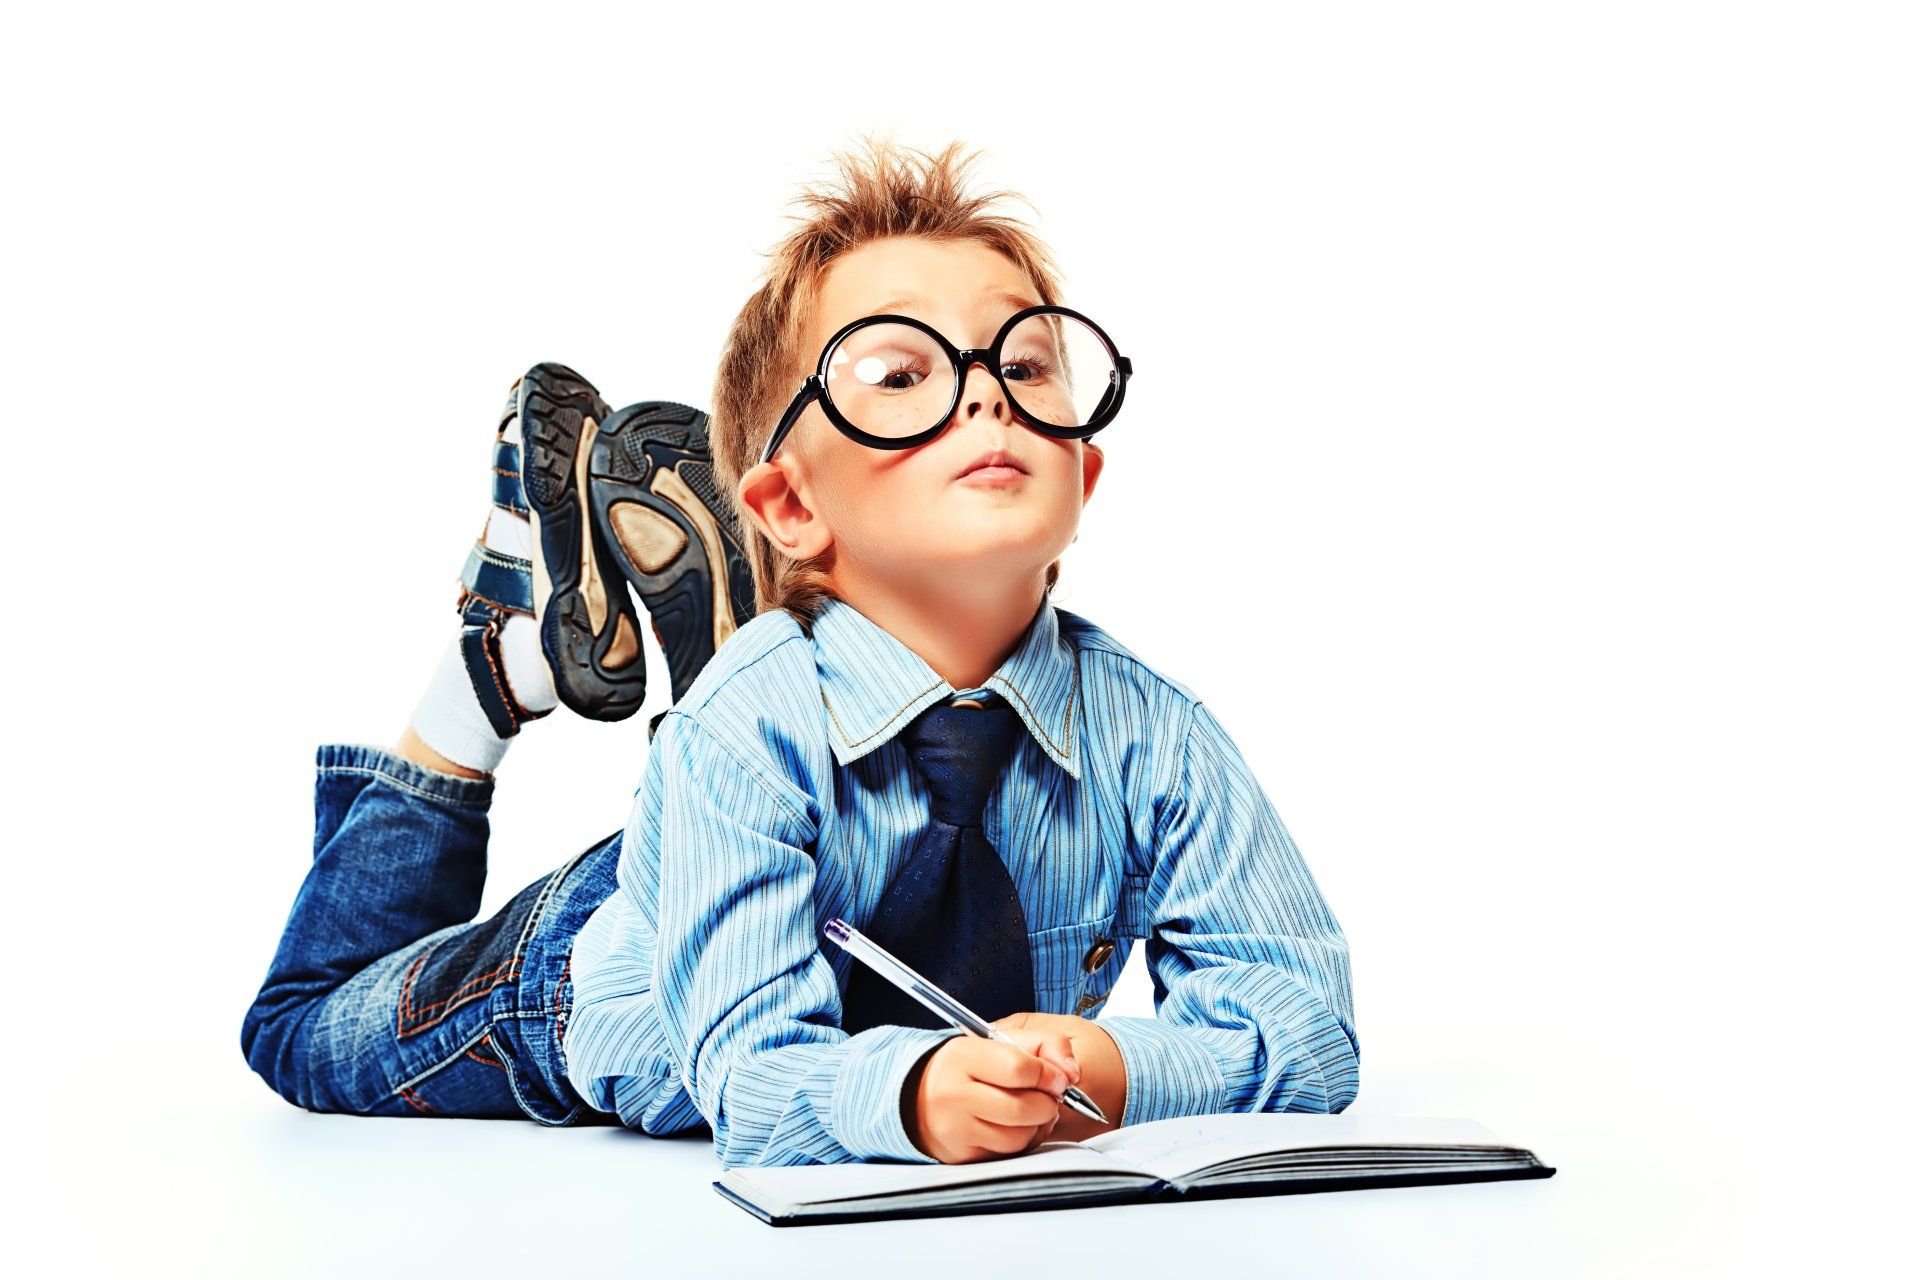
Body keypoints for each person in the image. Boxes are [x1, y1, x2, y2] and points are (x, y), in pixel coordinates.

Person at [240, 135, 1360, 1170]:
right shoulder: (745, 731)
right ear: (786, 502)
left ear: (1085, 474)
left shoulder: (1157, 732)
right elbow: (752, 1077)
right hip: (586, 977)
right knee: (301, 1026)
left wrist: (1112, 1069)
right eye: (899, 375)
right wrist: (915, 1094)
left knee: (759, 733)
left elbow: (1311, 1025)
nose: (986, 392)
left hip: (765, 824)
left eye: (1026, 364)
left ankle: (783, 649)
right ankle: (492, 668)